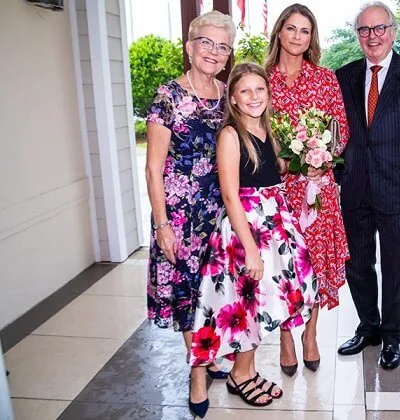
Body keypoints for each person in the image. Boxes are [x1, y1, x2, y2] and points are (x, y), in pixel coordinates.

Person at [188, 63, 318, 416]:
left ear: (268, 93)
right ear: (232, 97)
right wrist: (250, 250)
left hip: (274, 221)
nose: (254, 97)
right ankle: (240, 373)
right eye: (245, 91)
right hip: (245, 228)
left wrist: (307, 152)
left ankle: (245, 369)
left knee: (262, 303)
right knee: (245, 303)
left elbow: (272, 171)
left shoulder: (267, 130)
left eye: (259, 89)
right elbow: (231, 195)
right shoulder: (230, 135)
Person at [335, 1, 400, 369]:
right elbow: (336, 136)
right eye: (364, 30)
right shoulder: (343, 76)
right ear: (358, 36)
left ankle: (393, 337)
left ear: (393, 31)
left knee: (395, 267)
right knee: (357, 265)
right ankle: (368, 327)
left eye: (380, 28)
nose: (372, 36)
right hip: (355, 189)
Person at [144, 10, 235, 417]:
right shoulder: (169, 97)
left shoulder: (227, 93)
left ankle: (210, 353)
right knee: (188, 295)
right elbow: (152, 167)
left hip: (221, 211)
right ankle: (197, 372)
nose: (214, 52)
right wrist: (162, 223)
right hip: (180, 216)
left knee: (214, 291)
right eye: (206, 43)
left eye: (223, 46)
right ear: (190, 46)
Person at [265, 3, 350, 376]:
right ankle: (286, 337)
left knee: (315, 265)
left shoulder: (325, 78)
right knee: (286, 266)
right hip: (279, 189)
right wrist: (284, 161)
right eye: (292, 29)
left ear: (311, 37)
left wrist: (323, 156)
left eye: (305, 31)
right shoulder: (262, 79)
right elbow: (253, 134)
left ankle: (310, 334)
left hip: (319, 187)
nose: (298, 37)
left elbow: (340, 129)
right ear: (279, 32)